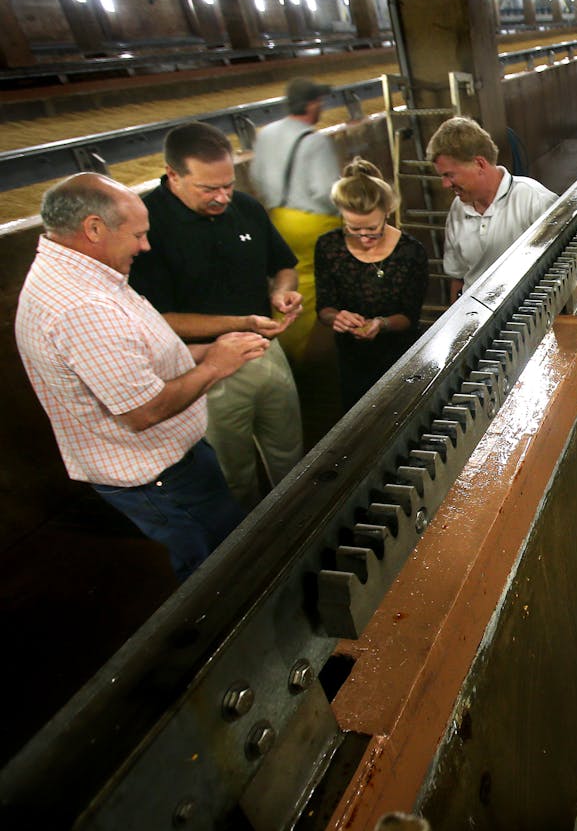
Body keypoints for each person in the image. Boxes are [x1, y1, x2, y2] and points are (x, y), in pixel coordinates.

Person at [15, 173, 268, 580]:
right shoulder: (82, 308)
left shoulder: (85, 272)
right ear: (94, 228)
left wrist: (212, 349)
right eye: (138, 235)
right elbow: (143, 410)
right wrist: (216, 366)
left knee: (226, 544)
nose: (145, 246)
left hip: (172, 462)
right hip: (161, 478)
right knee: (220, 567)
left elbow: (134, 358)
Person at [129, 122, 305, 510]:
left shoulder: (245, 207)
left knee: (288, 449)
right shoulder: (145, 226)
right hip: (202, 364)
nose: (223, 197)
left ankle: (297, 517)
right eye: (209, 189)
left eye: (227, 184)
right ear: (173, 175)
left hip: (264, 349)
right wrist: (241, 323)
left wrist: (281, 292)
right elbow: (159, 319)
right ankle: (246, 540)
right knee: (231, 469)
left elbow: (283, 266)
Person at [315, 159, 430, 409]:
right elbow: (324, 306)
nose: (364, 237)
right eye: (354, 229)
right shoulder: (328, 247)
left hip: (400, 359)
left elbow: (410, 316)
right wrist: (337, 317)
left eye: (372, 229)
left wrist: (381, 323)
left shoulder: (411, 251)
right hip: (352, 360)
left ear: (387, 212)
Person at [250, 77, 342, 363]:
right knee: (311, 289)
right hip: (312, 224)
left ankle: (281, 343)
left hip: (278, 219)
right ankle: (304, 355)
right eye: (320, 103)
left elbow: (256, 178)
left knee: (285, 282)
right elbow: (325, 190)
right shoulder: (314, 141)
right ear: (312, 103)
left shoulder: (266, 134)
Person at [426, 116, 557, 302]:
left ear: (479, 164)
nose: (445, 184)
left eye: (450, 175)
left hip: (525, 311)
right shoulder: (457, 209)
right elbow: (458, 277)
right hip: (475, 315)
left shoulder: (535, 200)